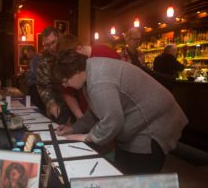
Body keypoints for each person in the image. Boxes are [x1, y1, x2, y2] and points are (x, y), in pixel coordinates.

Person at [53, 50, 188, 174]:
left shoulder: (99, 81)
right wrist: (74, 128)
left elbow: (113, 121)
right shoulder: (89, 72)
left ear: (76, 71)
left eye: (65, 81)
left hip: (154, 123)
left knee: (140, 178)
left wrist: (88, 137)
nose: (65, 85)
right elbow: (95, 112)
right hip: (138, 121)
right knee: (122, 172)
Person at [57, 34, 120, 119]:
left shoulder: (106, 53)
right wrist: (81, 119)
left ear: (79, 48)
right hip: (89, 116)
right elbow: (67, 93)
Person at [36, 26, 73, 123]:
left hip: (79, 103)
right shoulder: (44, 61)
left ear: (59, 38)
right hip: (59, 106)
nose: (51, 47)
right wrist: (50, 103)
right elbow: (43, 86)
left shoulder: (71, 51)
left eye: (53, 42)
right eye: (47, 45)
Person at [25, 45, 44, 111]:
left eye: (27, 52)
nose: (26, 54)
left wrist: (27, 74)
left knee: (34, 106)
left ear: (31, 51)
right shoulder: (37, 58)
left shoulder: (34, 60)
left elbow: (35, 74)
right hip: (38, 86)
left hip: (35, 86)